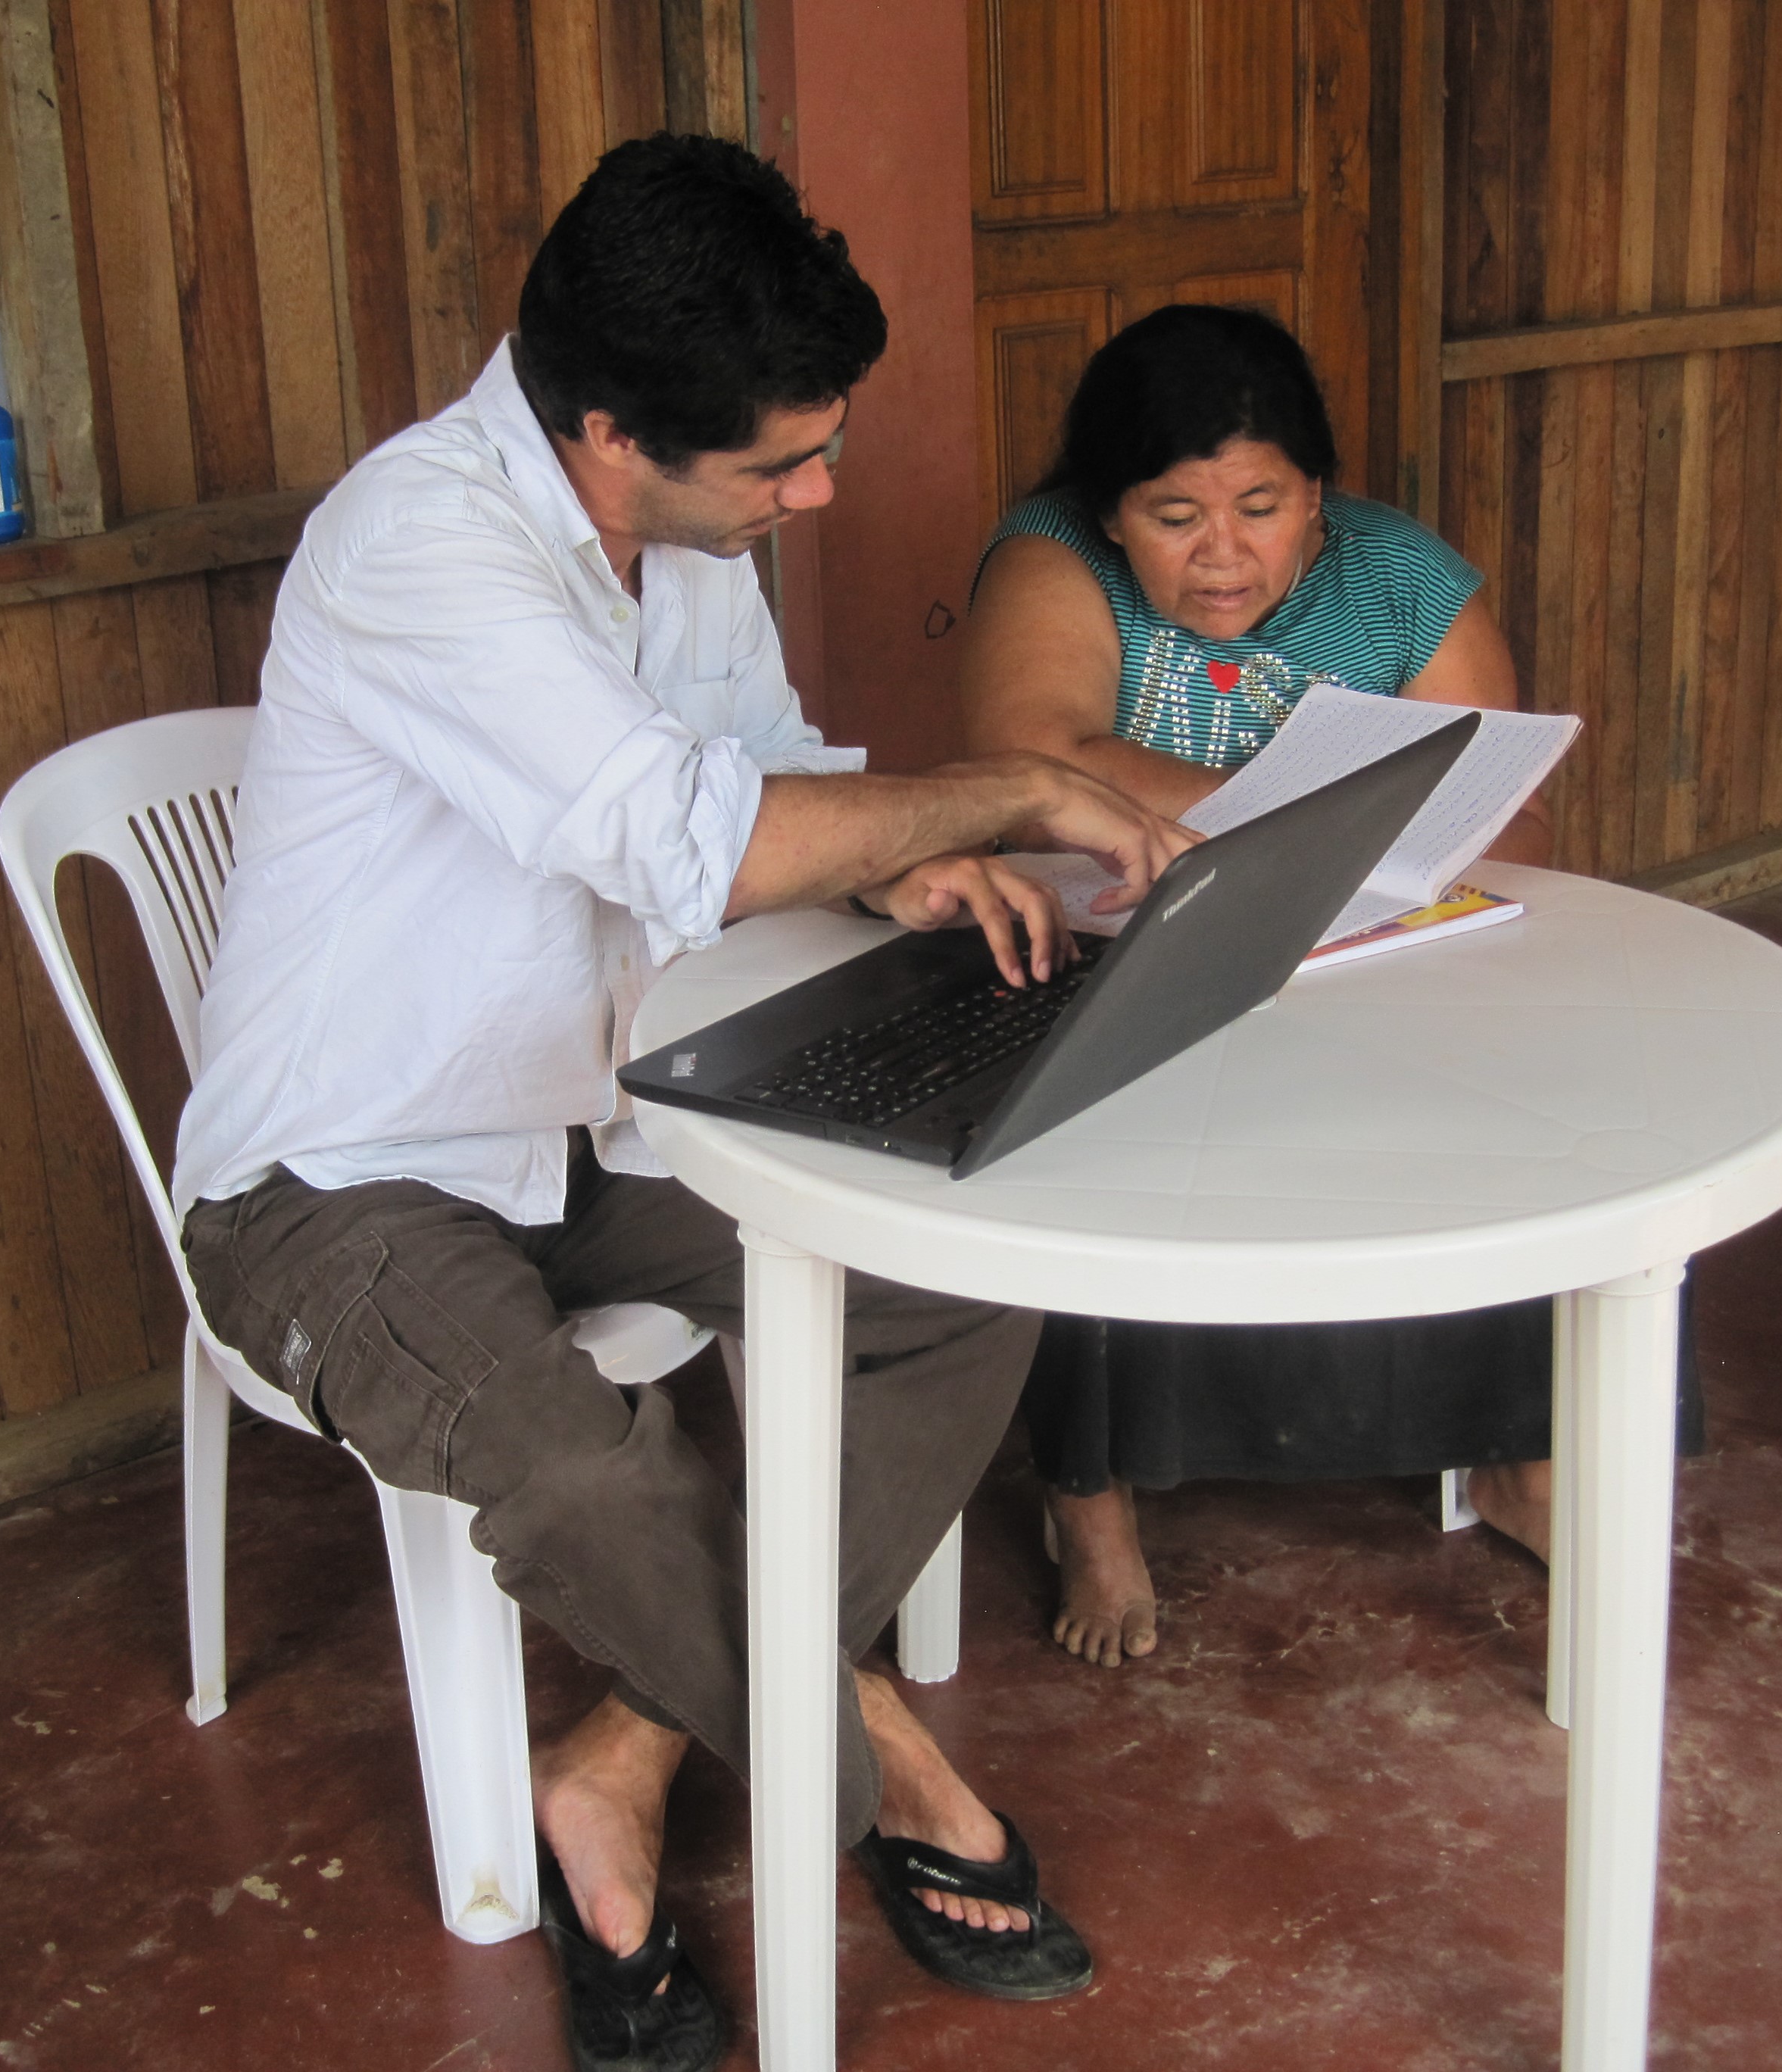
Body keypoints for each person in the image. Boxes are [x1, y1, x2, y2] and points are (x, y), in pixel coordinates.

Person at [174, 136, 1194, 2072]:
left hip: (622, 1115)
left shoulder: (681, 535)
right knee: (574, 1465)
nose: (815, 494)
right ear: (608, 430)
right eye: (778, 467)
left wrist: (884, 864)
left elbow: (760, 776)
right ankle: (876, 1750)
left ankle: (626, 1759)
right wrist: (1000, 797)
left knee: (956, 1264)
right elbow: (691, 835)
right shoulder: (420, 542)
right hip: (344, 1178)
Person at [963, 303, 1699, 1671]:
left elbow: (1516, 827)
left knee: (1561, 1093)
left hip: (1359, 957)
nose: (1223, 552)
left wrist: (1309, 863)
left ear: (1319, 497)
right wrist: (1316, 826)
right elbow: (1028, 749)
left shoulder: (1404, 581)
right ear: (1111, 512)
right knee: (1062, 1090)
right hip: (1135, 949)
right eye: (1174, 514)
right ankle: (1089, 1489)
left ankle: (1515, 1452)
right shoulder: (1052, 555)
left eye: (1261, 505)